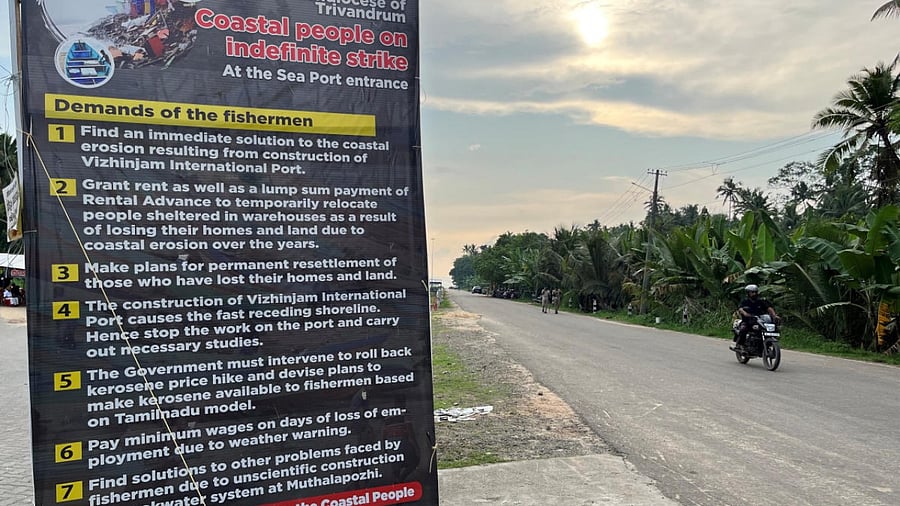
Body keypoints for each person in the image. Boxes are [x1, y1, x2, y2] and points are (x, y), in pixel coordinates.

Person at [732, 284, 780, 350]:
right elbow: (740, 308)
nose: (754, 294)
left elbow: (769, 308)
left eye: (755, 292)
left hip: (759, 320)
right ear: (748, 293)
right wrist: (745, 313)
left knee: (773, 329)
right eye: (752, 292)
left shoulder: (761, 301)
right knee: (744, 329)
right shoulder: (745, 301)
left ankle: (766, 344)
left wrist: (774, 316)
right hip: (748, 320)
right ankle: (740, 345)